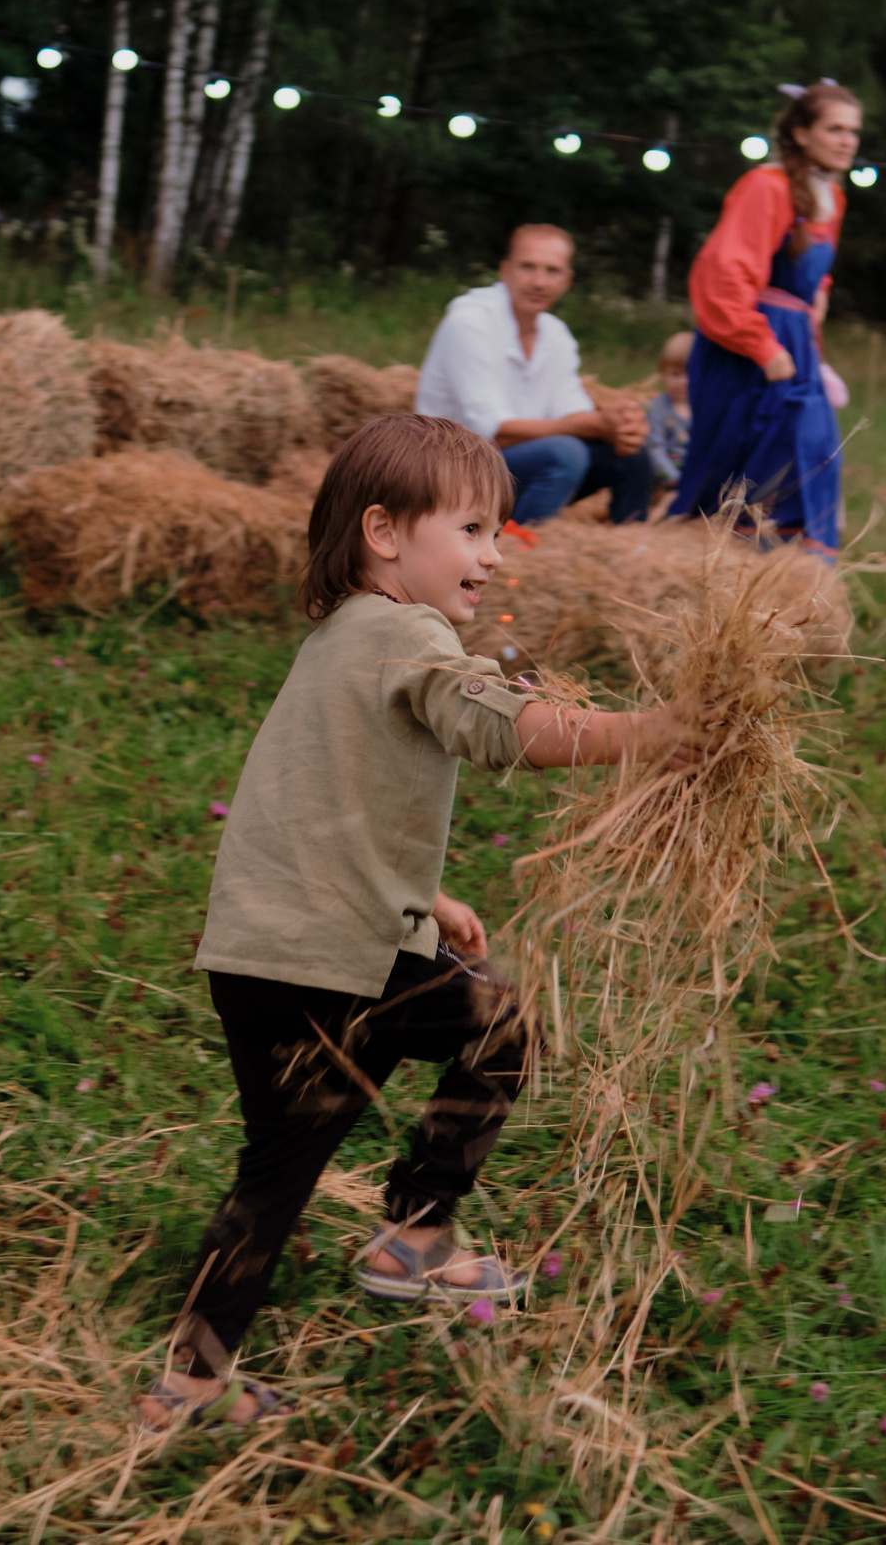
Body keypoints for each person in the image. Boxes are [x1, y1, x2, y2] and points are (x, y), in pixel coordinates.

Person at [137, 415, 694, 1431]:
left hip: (263, 952)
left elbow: (317, 797)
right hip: (329, 965)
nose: (492, 553)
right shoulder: (410, 637)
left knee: (277, 1170)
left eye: (499, 532)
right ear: (385, 533)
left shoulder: (338, 641)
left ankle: (189, 1384)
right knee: (501, 1029)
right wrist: (655, 734)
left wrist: (424, 898)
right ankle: (414, 1237)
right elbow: (506, 727)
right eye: (475, 529)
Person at [668, 81, 863, 556]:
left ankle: (789, 583)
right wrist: (762, 345)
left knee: (812, 455)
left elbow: (811, 270)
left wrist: (818, 295)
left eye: (853, 132)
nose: (847, 141)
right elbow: (724, 273)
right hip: (750, 346)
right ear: (800, 133)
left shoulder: (831, 196)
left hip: (796, 342)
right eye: (834, 129)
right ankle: (716, 565)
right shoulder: (766, 185)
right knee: (741, 464)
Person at [414, 224, 652, 529]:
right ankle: (518, 550)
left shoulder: (556, 335)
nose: (539, 282)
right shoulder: (470, 322)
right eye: (528, 267)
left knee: (629, 455)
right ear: (505, 271)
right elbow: (491, 434)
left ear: (567, 281)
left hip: (514, 466)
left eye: (552, 271)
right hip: (453, 471)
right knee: (564, 453)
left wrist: (617, 424)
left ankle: (631, 554)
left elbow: (570, 411)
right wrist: (595, 424)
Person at [643, 330, 693, 490]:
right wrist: (673, 479)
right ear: (662, 373)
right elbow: (655, 448)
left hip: (697, 477)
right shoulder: (657, 408)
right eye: (675, 374)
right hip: (667, 479)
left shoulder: (705, 408)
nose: (683, 381)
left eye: (690, 374)